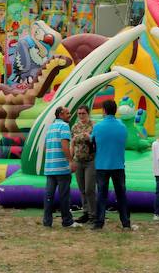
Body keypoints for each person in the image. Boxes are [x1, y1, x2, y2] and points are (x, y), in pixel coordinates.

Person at [90, 99, 136, 231]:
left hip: (102, 165)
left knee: (101, 196)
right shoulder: (122, 127)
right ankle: (126, 223)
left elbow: (92, 142)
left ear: (104, 110)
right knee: (121, 195)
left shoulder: (98, 126)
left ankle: (99, 223)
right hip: (118, 165)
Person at [43, 106, 80, 228]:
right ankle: (67, 221)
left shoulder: (50, 128)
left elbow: (45, 147)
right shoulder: (64, 126)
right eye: (67, 113)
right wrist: (70, 161)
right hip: (61, 167)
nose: (69, 115)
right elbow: (65, 145)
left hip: (50, 167)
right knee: (64, 195)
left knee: (49, 196)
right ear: (60, 115)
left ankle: (47, 222)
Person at [71, 104, 96, 224]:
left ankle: (93, 214)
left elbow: (94, 139)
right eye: (79, 113)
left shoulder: (93, 125)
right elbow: (72, 142)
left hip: (90, 160)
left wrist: (88, 137)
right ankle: (86, 212)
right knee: (82, 189)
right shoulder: (75, 127)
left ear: (88, 113)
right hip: (78, 160)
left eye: (83, 113)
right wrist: (70, 160)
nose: (81, 115)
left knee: (89, 188)